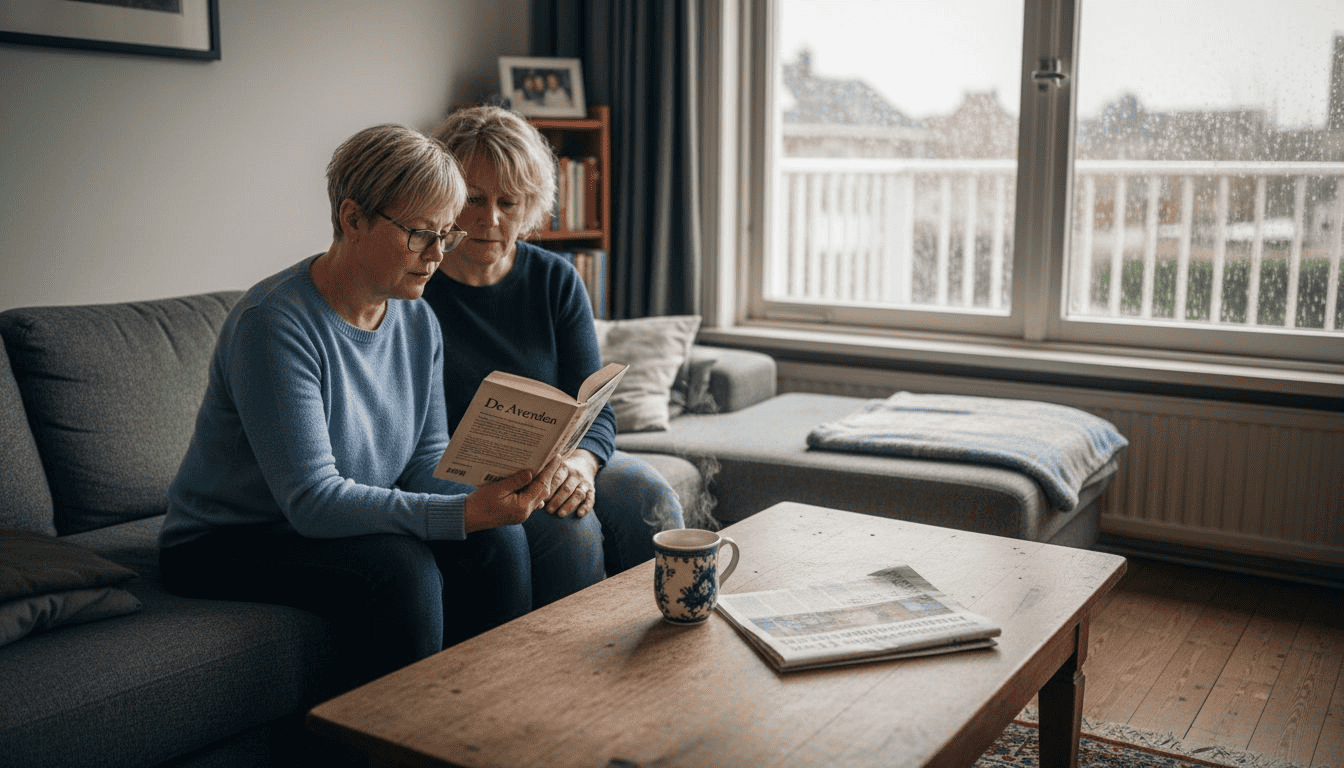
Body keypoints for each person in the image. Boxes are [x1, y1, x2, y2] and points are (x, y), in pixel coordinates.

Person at [158, 124, 563, 687]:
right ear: (352, 218)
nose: (436, 256)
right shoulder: (274, 324)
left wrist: (490, 491)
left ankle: (494, 720)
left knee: (496, 538)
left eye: (445, 236)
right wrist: (457, 514)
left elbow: (426, 461)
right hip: (227, 541)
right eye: (420, 235)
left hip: (323, 518)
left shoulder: (417, 319)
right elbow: (312, 500)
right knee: (402, 570)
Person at [425, 105, 685, 607]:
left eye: (509, 201)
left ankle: (660, 644)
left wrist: (583, 465)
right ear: (445, 200)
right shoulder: (416, 286)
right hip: (460, 475)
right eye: (473, 199)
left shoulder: (555, 279)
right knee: (570, 529)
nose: (490, 218)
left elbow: (596, 410)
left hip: (557, 461)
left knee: (647, 494)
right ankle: (565, 674)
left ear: (531, 206)